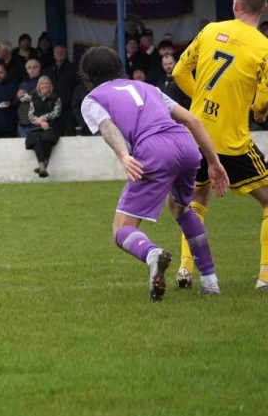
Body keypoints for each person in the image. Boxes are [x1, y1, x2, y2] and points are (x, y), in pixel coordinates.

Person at [79, 46, 229, 300]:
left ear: (88, 75)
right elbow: (192, 120)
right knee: (181, 208)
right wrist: (214, 162)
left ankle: (153, 255)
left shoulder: (93, 99)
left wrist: (124, 155)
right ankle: (210, 280)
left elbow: (106, 126)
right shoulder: (148, 88)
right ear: (119, 68)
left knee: (122, 229)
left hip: (155, 150)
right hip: (187, 145)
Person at [172, 0, 268, 291]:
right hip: (232, 141)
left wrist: (201, 100)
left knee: (197, 200)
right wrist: (257, 110)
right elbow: (263, 103)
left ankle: (186, 268)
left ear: (235, 5)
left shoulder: (211, 30)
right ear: (263, 9)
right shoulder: (264, 48)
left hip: (196, 136)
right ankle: (265, 277)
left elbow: (178, 72)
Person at [25, 75, 61, 177]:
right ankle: (42, 166)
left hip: (52, 125)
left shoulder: (55, 97)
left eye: (46, 84)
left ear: (50, 86)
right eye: (42, 84)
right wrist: (40, 122)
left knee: (47, 138)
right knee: (37, 139)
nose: (44, 86)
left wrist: (44, 118)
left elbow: (56, 112)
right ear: (38, 86)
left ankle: (42, 167)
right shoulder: (34, 97)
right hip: (37, 127)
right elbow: (30, 115)